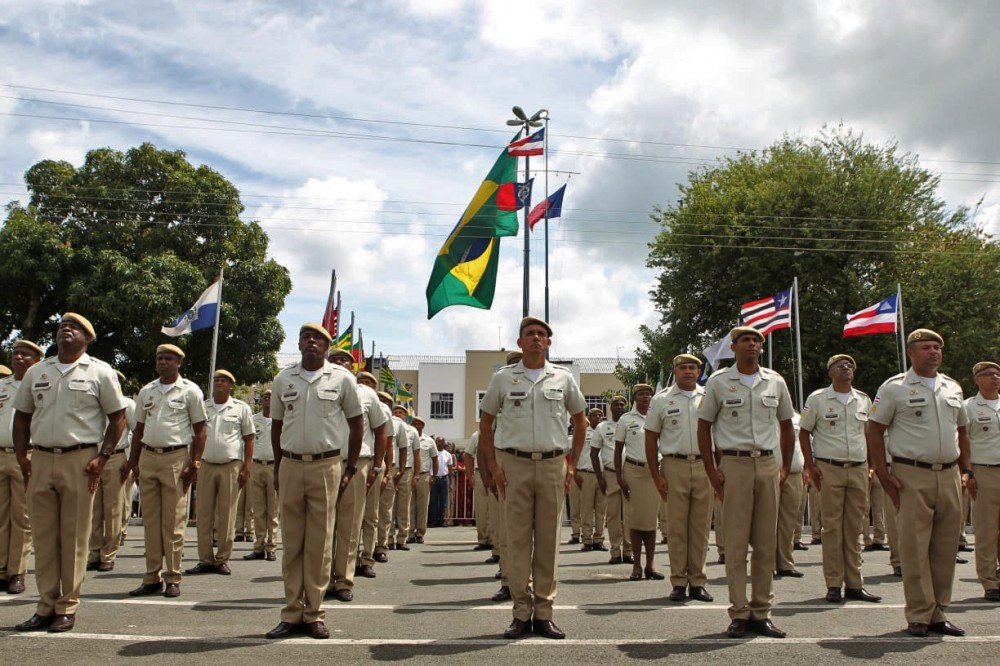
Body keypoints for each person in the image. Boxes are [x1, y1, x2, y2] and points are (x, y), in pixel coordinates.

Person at [13, 313, 127, 633]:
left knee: (74, 536)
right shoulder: (39, 370)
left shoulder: (99, 372)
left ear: (87, 338)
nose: (66, 328)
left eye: (74, 327)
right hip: (42, 458)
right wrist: (23, 457)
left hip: (80, 460)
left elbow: (118, 417)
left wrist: (103, 456)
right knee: (44, 537)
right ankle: (45, 605)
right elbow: (21, 417)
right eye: (62, 325)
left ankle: (67, 605)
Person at [478, 316, 588, 640]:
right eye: (530, 334)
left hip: (554, 465)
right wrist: (494, 466)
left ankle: (544, 613)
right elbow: (486, 424)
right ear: (520, 342)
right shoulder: (503, 378)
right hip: (514, 465)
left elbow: (580, 422)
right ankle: (520, 613)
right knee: (516, 542)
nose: (536, 338)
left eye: (542, 334)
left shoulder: (563, 378)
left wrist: (572, 463)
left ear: (549, 343)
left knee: (549, 544)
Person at [867, 328, 969, 637]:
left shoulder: (952, 387)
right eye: (926, 347)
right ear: (912, 353)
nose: (934, 351)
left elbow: (962, 432)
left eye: (937, 346)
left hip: (949, 473)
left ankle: (939, 611)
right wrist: (884, 474)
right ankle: (919, 613)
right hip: (911, 473)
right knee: (914, 547)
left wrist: (968, 471)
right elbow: (874, 430)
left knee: (946, 546)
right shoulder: (895, 388)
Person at [265, 323, 363, 640]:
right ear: (299, 343)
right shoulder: (284, 379)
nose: (311, 341)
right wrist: (279, 467)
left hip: (326, 466)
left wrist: (350, 466)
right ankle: (292, 612)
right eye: (306, 337)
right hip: (292, 465)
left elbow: (356, 423)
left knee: (320, 544)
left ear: (326, 345)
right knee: (291, 542)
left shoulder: (342, 379)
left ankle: (314, 613)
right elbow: (277, 427)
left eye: (318, 338)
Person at [697, 325, 794, 639]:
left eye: (756, 340)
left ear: (760, 348)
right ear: (734, 347)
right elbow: (704, 427)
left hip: (767, 463)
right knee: (736, 544)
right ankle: (739, 612)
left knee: (767, 543)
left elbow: (787, 427)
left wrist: (782, 468)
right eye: (745, 340)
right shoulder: (719, 382)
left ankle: (761, 611)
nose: (751, 344)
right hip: (734, 465)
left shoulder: (775, 382)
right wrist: (712, 470)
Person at [125, 344, 207, 599]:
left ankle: (172, 576)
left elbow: (200, 430)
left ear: (179, 363)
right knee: (151, 521)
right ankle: (151, 577)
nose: (162, 362)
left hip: (176, 458)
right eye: (159, 358)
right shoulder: (147, 391)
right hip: (149, 456)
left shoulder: (190, 391)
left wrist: (195, 463)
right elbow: (138, 429)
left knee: (173, 522)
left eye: (168, 358)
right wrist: (134, 462)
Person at [800, 355, 880, 603]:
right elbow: (804, 433)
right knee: (833, 527)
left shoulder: (864, 400)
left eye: (849, 366)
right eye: (840, 365)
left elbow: (870, 436)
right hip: (829, 468)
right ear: (830, 372)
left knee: (856, 526)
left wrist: (873, 465)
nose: (846, 368)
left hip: (858, 467)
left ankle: (855, 584)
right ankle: (834, 583)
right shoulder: (818, 399)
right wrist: (810, 464)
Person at [645, 353, 713, 603]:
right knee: (676, 528)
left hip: (705, 465)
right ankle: (678, 581)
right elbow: (651, 438)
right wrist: (656, 475)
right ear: (674, 371)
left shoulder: (709, 396)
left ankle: (698, 581)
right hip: (674, 466)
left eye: (693, 368)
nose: (688, 372)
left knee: (701, 527)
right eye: (683, 367)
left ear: (699, 371)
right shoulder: (661, 400)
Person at [326, 361, 387, 601]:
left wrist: (376, 466)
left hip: (358, 461)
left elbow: (381, 431)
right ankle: (323, 580)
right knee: (324, 525)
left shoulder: (367, 394)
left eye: (345, 361)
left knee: (350, 524)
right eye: (335, 360)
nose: (340, 364)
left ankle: (343, 580)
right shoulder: (322, 389)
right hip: (326, 460)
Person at [186, 370, 254, 576]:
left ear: (231, 385)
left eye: (223, 380)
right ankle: (205, 559)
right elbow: (195, 437)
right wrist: (194, 463)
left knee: (227, 514)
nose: (218, 383)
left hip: (231, 465)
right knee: (204, 514)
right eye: (215, 380)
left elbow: (249, 439)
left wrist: (246, 467)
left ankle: (223, 558)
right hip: (206, 464)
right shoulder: (203, 407)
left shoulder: (241, 408)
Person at [0, 340, 42, 595]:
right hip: (1, 453)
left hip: (27, 455)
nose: (18, 357)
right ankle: (1, 568)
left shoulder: (40, 385)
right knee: (1, 516)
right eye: (15, 353)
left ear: (36, 359)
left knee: (22, 516)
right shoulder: (2, 386)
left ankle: (17, 571)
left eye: (25, 354)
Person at [87, 370, 136, 572]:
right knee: (93, 509)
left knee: (114, 508)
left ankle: (109, 554)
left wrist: (131, 462)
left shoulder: (127, 404)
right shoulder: (93, 402)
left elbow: (138, 432)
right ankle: (95, 552)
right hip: (92, 457)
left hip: (116, 457)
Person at [615, 384, 661, 581]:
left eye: (648, 394)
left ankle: (650, 565)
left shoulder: (657, 416)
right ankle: (636, 565)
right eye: (641, 394)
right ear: (634, 398)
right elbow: (617, 451)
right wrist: (620, 477)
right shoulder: (626, 420)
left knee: (650, 522)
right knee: (635, 521)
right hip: (633, 472)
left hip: (653, 472)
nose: (645, 397)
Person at [964, 361, 1000, 601]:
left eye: (997, 373)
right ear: (977, 380)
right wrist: (968, 472)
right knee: (986, 531)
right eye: (987, 374)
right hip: (984, 472)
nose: (994, 377)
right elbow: (962, 441)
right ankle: (990, 582)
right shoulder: (968, 407)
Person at [592, 395, 632, 564]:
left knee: (630, 514)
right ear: (610, 408)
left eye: (622, 404)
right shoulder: (602, 427)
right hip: (610, 473)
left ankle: (629, 551)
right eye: (616, 404)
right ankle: (615, 550)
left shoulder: (631, 423)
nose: (619, 407)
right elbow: (593, 454)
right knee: (613, 514)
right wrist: (600, 478)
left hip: (630, 473)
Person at [245, 390, 279, 561]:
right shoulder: (254, 419)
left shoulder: (280, 420)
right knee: (258, 509)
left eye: (271, 398)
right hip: (257, 465)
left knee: (273, 510)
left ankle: (271, 546)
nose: (268, 401)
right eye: (265, 398)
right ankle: (258, 545)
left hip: (273, 466)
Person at [774, 412, 806, 578]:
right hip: (771, 472)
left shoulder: (797, 417)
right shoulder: (763, 413)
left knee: (788, 522)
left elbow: (803, 443)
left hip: (794, 473)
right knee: (767, 522)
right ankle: (768, 563)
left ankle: (785, 563)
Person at [375, 392, 404, 562]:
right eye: (380, 399)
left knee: (384, 511)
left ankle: (381, 547)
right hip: (365, 463)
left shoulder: (391, 420)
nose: (382, 402)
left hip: (384, 466)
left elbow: (391, 446)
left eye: (386, 401)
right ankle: (363, 549)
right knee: (364, 513)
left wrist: (389, 472)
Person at [578, 408, 607, 552]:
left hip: (603, 474)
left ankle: (599, 539)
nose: (598, 417)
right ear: (589, 417)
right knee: (587, 509)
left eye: (600, 414)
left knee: (601, 510)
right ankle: (587, 540)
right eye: (594, 415)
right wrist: (576, 472)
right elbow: (576, 452)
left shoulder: (606, 431)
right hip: (587, 474)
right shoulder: (583, 432)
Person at [391, 405, 418, 551]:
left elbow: (417, 453)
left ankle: (402, 538)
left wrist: (416, 474)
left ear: (406, 415)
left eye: (401, 412)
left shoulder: (411, 430)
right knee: (388, 506)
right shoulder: (388, 424)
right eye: (395, 412)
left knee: (403, 505)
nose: (397, 414)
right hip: (391, 468)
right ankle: (388, 538)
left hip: (406, 470)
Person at [409, 417, 437, 543]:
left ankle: (420, 532)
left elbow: (435, 459)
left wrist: (434, 476)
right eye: (414, 423)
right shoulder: (407, 438)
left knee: (423, 505)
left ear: (423, 426)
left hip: (424, 475)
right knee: (409, 505)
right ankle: (409, 532)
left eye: (419, 424)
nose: (416, 425)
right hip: (409, 474)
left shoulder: (429, 441)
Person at [465, 427, 492, 550]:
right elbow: (469, 455)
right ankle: (483, 539)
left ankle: (495, 539)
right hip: (480, 473)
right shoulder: (476, 435)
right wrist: (470, 476)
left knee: (496, 509)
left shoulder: (501, 431)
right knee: (481, 508)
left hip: (496, 474)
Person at [430, 436, 453, 527]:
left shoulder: (448, 454)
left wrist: (451, 483)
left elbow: (450, 470)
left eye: (440, 441)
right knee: (433, 501)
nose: (438, 443)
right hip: (434, 478)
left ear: (444, 443)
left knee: (443, 501)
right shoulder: (432, 453)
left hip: (444, 478)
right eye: (437, 441)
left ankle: (441, 521)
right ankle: (432, 521)